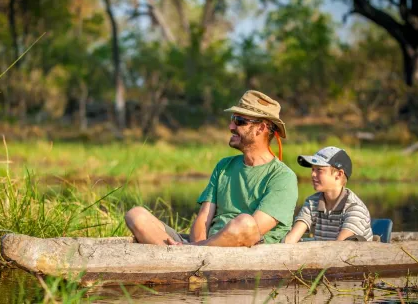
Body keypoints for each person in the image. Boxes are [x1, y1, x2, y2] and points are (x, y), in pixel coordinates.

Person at [125, 90, 298, 247]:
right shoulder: (224, 166)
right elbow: (203, 219)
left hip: (242, 252)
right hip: (200, 249)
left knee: (245, 222)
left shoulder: (283, 177)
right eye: (232, 120)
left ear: (261, 128)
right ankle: (185, 262)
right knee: (136, 215)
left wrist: (194, 249)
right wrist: (198, 248)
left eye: (239, 121)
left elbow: (252, 231)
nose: (231, 127)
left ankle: (182, 258)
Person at [284, 146, 373, 243]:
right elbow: (291, 240)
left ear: (339, 174)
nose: (313, 174)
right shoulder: (312, 202)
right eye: (313, 169)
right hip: (324, 255)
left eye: (319, 170)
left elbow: (339, 248)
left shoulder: (355, 209)